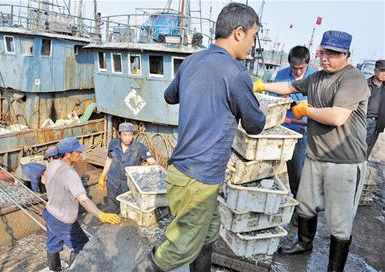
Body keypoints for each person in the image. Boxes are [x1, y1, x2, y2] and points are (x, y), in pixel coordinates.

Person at [134, 3, 265, 271]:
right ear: (238, 33)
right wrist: (253, 100)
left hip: (182, 172)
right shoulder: (237, 73)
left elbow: (170, 96)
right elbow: (255, 125)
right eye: (253, 36)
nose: (252, 44)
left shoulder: (192, 60)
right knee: (179, 248)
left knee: (208, 234)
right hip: (199, 180)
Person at [254, 30, 369, 272]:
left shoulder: (353, 79)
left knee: (339, 222)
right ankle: (304, 243)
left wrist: (306, 110)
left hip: (344, 162)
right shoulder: (316, 77)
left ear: (347, 54)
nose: (326, 57)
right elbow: (289, 86)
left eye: (333, 54)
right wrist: (262, 85)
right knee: (305, 205)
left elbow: (338, 116)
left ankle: (334, 267)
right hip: (316, 157)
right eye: (323, 52)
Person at [43, 137, 121, 271]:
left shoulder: (52, 164)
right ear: (68, 155)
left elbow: (44, 180)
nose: (81, 155)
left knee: (52, 244)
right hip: (64, 220)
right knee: (83, 246)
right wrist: (101, 215)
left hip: (50, 213)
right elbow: (83, 199)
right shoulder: (69, 173)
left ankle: (54, 269)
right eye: (78, 152)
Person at [274, 46, 316, 201]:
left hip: (303, 129)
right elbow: (274, 98)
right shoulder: (280, 75)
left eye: (301, 68)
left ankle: (299, 202)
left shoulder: (315, 77)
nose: (298, 72)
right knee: (276, 167)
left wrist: (305, 105)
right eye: (294, 68)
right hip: (283, 126)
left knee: (298, 169)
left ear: (308, 64)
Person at [98, 122, 157, 213]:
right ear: (119, 135)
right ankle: (114, 218)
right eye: (124, 135)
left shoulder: (140, 147)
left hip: (128, 183)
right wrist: (103, 176)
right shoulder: (113, 143)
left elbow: (151, 160)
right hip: (113, 180)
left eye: (130, 135)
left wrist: (154, 167)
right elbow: (109, 159)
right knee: (113, 204)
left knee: (128, 204)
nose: (127, 138)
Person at [366, 59, 385, 157]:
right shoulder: (365, 84)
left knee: (367, 148)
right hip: (363, 119)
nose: (384, 74)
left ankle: (360, 170)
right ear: (375, 71)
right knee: (356, 146)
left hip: (377, 123)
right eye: (382, 71)